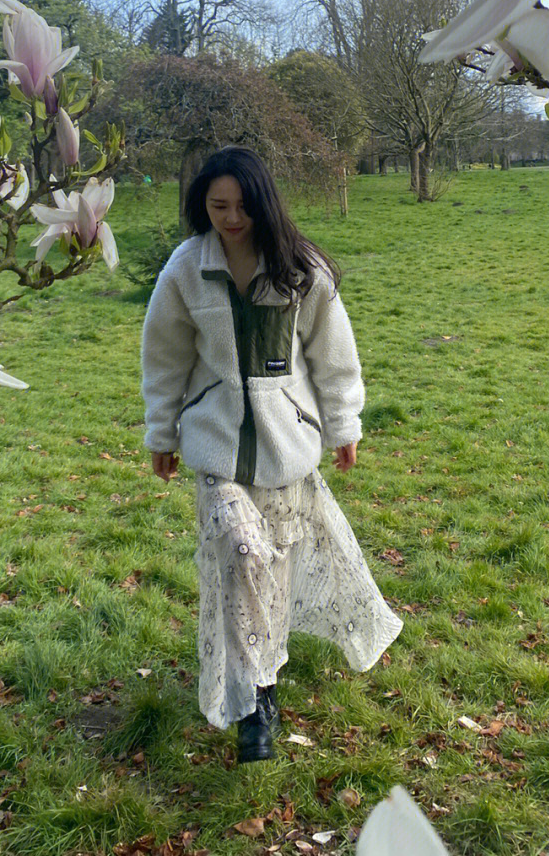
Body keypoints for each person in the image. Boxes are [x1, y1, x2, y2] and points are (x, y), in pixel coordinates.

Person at [141, 146, 402, 763]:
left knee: (273, 569)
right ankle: (253, 708)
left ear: (264, 203)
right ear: (201, 205)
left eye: (242, 205)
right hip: (217, 451)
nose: (230, 218)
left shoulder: (300, 269)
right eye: (217, 205)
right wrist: (162, 433)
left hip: (289, 451)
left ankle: (265, 679)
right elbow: (165, 358)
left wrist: (344, 426)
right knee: (242, 552)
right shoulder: (185, 269)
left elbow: (334, 356)